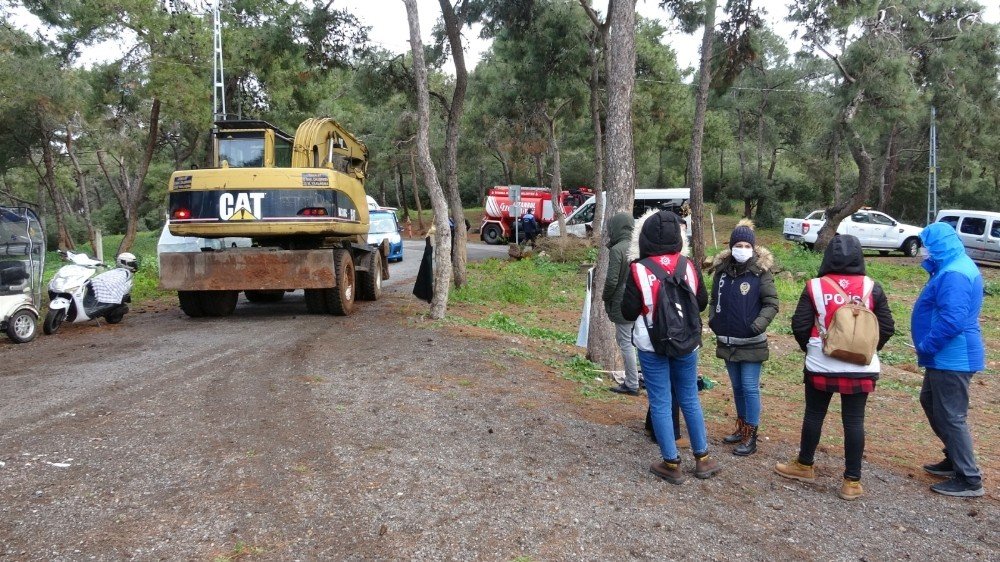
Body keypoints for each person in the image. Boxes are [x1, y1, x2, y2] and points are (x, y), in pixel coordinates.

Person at [775, 234, 894, 501]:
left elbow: (799, 324)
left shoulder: (814, 286)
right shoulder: (872, 287)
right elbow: (886, 327)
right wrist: (866, 350)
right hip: (861, 367)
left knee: (814, 414)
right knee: (854, 421)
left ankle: (805, 465)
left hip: (821, 363)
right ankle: (852, 481)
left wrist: (812, 348)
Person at [622, 209, 719, 484]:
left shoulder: (638, 270)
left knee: (661, 400)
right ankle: (702, 458)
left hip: (651, 345)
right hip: (687, 342)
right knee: (689, 396)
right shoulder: (688, 265)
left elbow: (628, 311)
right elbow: (700, 302)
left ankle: (671, 462)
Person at [912, 223, 985, 497]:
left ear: (939, 246)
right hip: (943, 356)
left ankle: (969, 478)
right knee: (930, 402)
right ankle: (954, 457)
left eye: (927, 246)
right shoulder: (952, 265)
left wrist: (928, 344)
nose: (923, 251)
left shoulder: (954, 273)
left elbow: (953, 320)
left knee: (952, 415)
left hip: (952, 356)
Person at [708, 220, 778, 456]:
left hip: (752, 341)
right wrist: (713, 320)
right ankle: (741, 427)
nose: (742, 248)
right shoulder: (722, 271)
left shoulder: (761, 272)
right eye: (738, 244)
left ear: (753, 247)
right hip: (728, 340)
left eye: (746, 245)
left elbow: (771, 304)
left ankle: (751, 434)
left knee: (749, 387)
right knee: (737, 387)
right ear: (731, 246)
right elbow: (713, 300)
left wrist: (757, 326)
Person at [602, 212, 641, 396]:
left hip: (621, 300)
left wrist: (605, 297)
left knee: (625, 343)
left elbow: (611, 281)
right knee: (638, 342)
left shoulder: (618, 249)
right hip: (640, 300)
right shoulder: (638, 246)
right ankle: (641, 378)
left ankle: (632, 382)